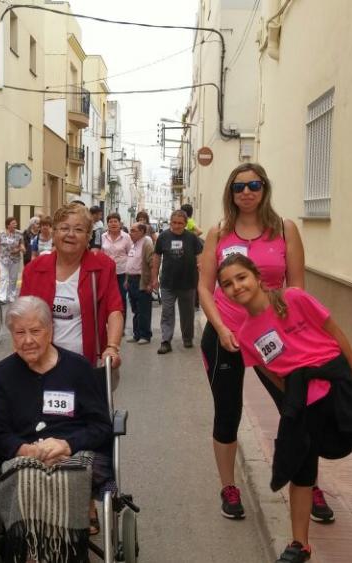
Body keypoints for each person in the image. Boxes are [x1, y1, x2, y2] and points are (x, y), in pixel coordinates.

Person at [217, 255, 352, 563]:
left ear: (258, 277)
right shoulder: (247, 335)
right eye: (227, 284)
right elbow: (274, 376)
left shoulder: (293, 298)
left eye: (241, 277)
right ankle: (299, 543)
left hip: (341, 387)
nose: (236, 286)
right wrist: (295, 404)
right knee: (300, 472)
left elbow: (336, 333)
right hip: (303, 402)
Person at [197, 163, 334, 523]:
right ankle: (229, 487)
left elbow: (297, 288)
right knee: (227, 413)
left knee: (297, 409)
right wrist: (220, 327)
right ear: (230, 192)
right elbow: (205, 287)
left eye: (254, 185)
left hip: (272, 338)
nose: (246, 192)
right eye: (239, 186)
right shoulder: (218, 232)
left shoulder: (285, 230)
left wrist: (292, 331)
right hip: (225, 336)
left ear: (264, 189)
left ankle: (308, 483)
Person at [0, 296, 113, 543]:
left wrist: (67, 445)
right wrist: (27, 450)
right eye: (20, 332)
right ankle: (31, 549)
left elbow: (101, 426)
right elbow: (0, 432)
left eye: (35, 331)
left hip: (76, 451)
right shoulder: (3, 374)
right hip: (24, 455)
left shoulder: (78, 368)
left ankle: (66, 545)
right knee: (26, 475)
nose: (27, 340)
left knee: (68, 472)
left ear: (50, 330)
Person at [20, 202, 123, 372]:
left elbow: (114, 310)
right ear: (54, 233)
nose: (71, 234)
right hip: (42, 361)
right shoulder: (34, 269)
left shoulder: (102, 267)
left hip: (86, 362)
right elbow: (22, 317)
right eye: (64, 228)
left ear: (88, 236)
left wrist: (112, 347)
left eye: (79, 229)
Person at [151, 209, 203, 353]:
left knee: (187, 313)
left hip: (188, 282)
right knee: (167, 312)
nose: (177, 226)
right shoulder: (163, 237)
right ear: (170, 223)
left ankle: (187, 338)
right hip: (168, 282)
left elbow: (200, 258)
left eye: (180, 223)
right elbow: (156, 258)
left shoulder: (192, 238)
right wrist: (154, 277)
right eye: (174, 222)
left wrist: (202, 277)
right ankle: (165, 341)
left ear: (185, 224)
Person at [100, 212, 133, 323]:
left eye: (115, 221)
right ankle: (108, 323)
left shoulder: (126, 237)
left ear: (120, 223)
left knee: (121, 298)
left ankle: (121, 324)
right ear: (107, 224)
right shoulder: (103, 237)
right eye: (110, 221)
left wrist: (128, 275)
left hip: (122, 273)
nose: (113, 224)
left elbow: (131, 254)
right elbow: (101, 254)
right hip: (106, 273)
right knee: (106, 298)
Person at [125, 223, 154, 345]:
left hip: (141, 280)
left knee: (143, 310)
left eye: (133, 230)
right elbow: (131, 262)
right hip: (131, 280)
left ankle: (145, 335)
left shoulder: (147, 243)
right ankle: (136, 334)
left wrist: (151, 283)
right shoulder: (134, 243)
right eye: (130, 230)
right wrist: (127, 280)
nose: (130, 233)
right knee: (136, 310)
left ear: (142, 231)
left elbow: (152, 264)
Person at [0, 217, 26, 304]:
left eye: (16, 223)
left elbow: (22, 245)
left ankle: (12, 296)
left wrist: (20, 249)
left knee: (13, 278)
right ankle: (2, 297)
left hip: (15, 260)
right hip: (3, 259)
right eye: (13, 223)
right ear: (8, 225)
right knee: (3, 277)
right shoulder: (1, 234)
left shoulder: (19, 233)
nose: (15, 224)